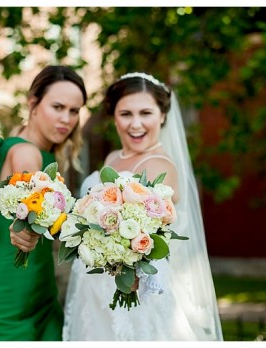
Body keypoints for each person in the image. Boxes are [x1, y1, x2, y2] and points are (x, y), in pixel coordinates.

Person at [62, 72, 222, 340]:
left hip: (133, 290)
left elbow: (148, 240)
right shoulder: (113, 157)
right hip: (94, 287)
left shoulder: (159, 166)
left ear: (162, 115)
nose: (135, 124)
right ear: (114, 117)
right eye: (126, 114)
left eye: (145, 113)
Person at [0, 65, 86, 340]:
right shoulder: (26, 153)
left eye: (74, 111)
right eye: (57, 107)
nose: (66, 119)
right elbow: (31, 199)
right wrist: (25, 228)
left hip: (41, 297)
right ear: (33, 103)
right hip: (6, 305)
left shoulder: (20, 141)